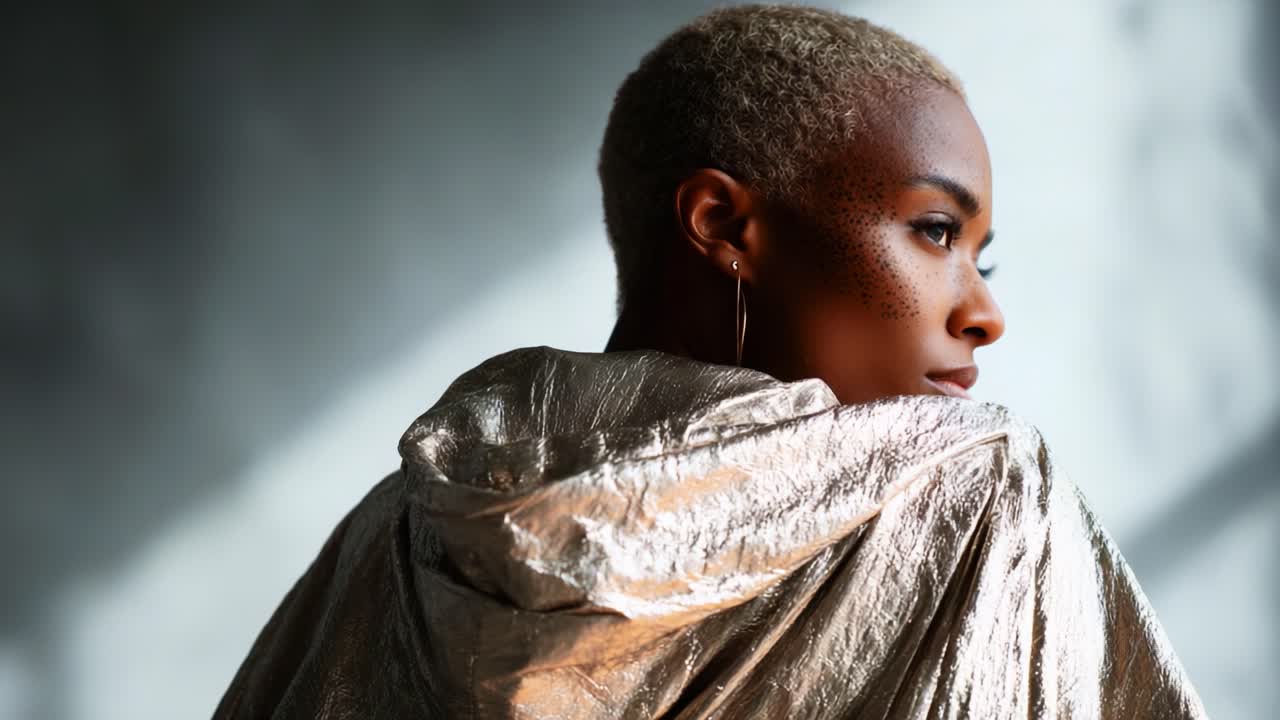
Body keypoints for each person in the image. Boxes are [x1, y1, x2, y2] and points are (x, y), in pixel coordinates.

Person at [215, 5, 1207, 718]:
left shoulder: (406, 524)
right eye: (935, 230)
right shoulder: (978, 493)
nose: (982, 313)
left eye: (978, 258)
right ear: (722, 224)